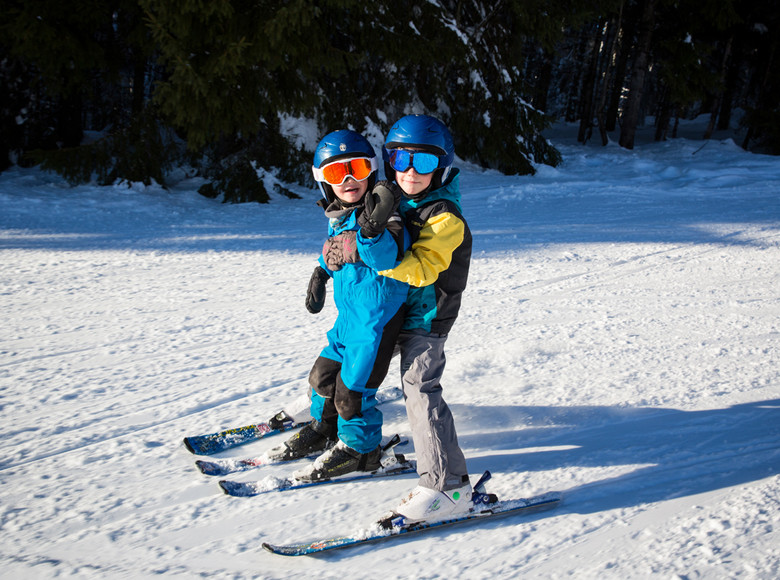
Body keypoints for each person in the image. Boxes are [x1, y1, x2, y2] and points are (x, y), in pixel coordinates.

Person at [267, 129, 408, 482]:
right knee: (322, 376)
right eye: (335, 173)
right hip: (350, 319)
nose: (347, 179)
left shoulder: (385, 211)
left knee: (352, 391)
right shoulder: (341, 215)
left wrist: (371, 228)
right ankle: (326, 429)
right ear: (323, 182)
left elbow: (386, 257)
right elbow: (335, 249)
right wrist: (320, 271)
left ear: (371, 172)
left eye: (357, 168)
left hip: (376, 323)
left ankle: (362, 450)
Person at [377, 114, 473, 524]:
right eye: (401, 160)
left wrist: (371, 254)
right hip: (400, 310)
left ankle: (445, 486)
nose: (411, 172)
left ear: (443, 166)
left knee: (420, 387)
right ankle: (343, 434)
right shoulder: (398, 198)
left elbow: (421, 269)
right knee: (356, 353)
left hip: (429, 318)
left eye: (425, 163)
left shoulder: (444, 215)